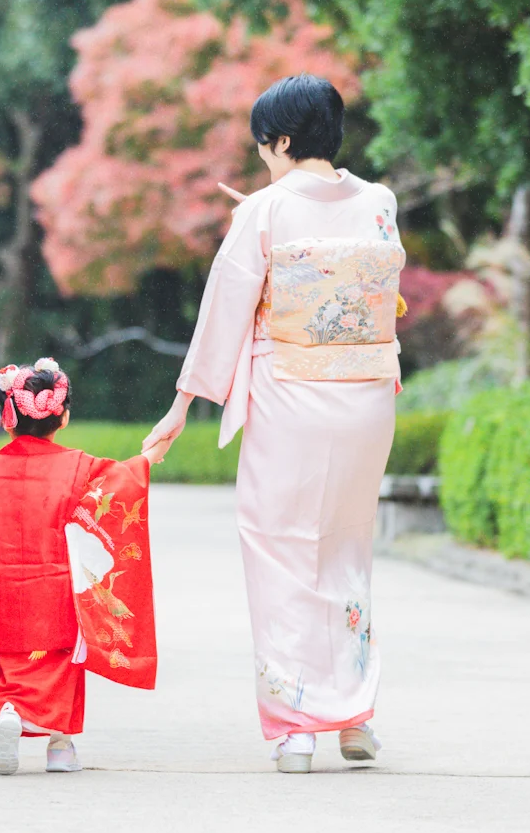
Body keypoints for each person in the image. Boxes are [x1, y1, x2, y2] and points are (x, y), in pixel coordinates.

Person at [143, 74, 404, 774]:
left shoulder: (262, 211)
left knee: (281, 552)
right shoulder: (380, 201)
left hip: (293, 395)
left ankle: (297, 728)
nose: (262, 157)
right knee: (346, 547)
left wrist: (181, 406)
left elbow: (223, 310)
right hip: (367, 397)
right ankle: (354, 714)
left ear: (282, 141)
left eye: (264, 145)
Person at [0, 358, 167, 776]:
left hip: (5, 587)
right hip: (57, 588)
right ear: (64, 417)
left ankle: (9, 712)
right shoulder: (77, 466)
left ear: (7, 417)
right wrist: (151, 454)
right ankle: (59, 747)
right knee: (60, 663)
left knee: (13, 661)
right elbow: (121, 484)